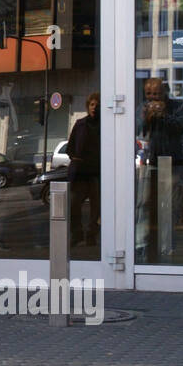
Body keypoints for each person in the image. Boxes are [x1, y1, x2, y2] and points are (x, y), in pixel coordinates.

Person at [136, 77, 183, 262]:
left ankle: (166, 245)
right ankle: (141, 244)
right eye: (149, 94)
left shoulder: (176, 106)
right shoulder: (143, 107)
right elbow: (138, 129)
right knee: (144, 204)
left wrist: (163, 116)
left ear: (164, 92)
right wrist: (146, 117)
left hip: (173, 162)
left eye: (156, 94)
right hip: (152, 161)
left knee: (168, 206)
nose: (152, 98)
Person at [67, 92, 101, 249]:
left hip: (98, 172)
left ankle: (91, 235)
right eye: (92, 104)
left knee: (97, 206)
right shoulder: (80, 124)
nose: (95, 107)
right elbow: (71, 148)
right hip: (81, 172)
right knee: (74, 203)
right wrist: (77, 159)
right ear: (88, 107)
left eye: (98, 104)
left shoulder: (106, 124)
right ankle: (77, 233)